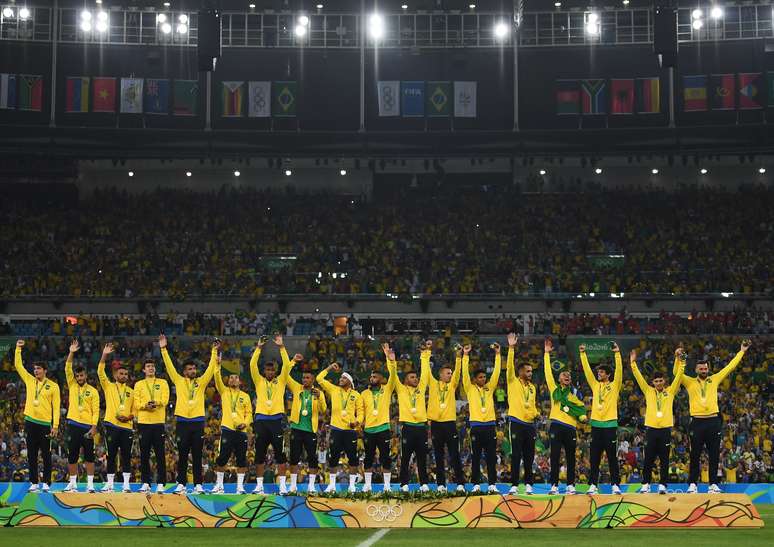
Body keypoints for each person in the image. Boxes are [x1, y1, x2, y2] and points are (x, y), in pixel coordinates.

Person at [676, 339, 750, 494]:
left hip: (713, 421)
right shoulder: (689, 382)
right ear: (696, 370)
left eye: (705, 368)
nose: (704, 370)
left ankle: (713, 484)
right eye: (701, 368)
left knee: (714, 454)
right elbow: (677, 374)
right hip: (696, 422)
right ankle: (692, 484)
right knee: (694, 454)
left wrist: (742, 351)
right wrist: (678, 358)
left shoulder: (714, 379)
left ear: (708, 369)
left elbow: (730, 367)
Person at [160, 334, 217, 495]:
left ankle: (198, 485)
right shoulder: (178, 380)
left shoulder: (201, 382)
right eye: (190, 369)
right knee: (183, 454)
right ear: (185, 372)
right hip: (183, 422)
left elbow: (211, 369)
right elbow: (169, 366)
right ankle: (181, 484)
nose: (193, 371)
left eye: (194, 368)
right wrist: (163, 349)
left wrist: (214, 351)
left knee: (198, 454)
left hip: (198, 422)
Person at [631, 347, 685, 494]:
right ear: (653, 382)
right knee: (648, 458)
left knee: (664, 459)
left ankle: (663, 485)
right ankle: (645, 484)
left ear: (664, 381)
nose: (659, 383)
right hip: (651, 430)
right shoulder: (648, 391)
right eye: (656, 381)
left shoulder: (671, 391)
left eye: (661, 380)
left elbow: (679, 375)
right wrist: (633, 363)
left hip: (665, 430)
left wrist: (681, 361)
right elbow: (638, 377)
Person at [14, 340, 60, 493]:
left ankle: (46, 482)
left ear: (45, 370)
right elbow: (18, 366)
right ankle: (34, 482)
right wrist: (18, 349)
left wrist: (55, 426)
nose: (36, 371)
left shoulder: (53, 386)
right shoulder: (29, 380)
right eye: (34, 369)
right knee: (32, 454)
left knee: (46, 455)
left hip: (45, 424)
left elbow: (56, 408)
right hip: (30, 422)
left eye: (39, 369)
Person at [249, 334, 291, 495]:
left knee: (280, 454)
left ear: (275, 371)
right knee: (259, 453)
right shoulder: (259, 381)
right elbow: (252, 364)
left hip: (276, 421)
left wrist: (281, 347)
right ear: (264, 371)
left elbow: (287, 365)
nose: (269, 372)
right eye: (267, 369)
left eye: (272, 369)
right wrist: (258, 348)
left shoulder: (280, 381)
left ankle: (282, 486)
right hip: (260, 420)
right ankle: (259, 486)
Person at [544, 337, 587, 495]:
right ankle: (554, 485)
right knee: (554, 456)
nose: (567, 376)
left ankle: (570, 485)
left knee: (571, 458)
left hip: (570, 428)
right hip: (556, 425)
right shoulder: (554, 390)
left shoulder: (575, 394)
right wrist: (546, 354)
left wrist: (582, 416)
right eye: (563, 374)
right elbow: (548, 372)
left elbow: (581, 409)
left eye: (568, 375)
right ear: (559, 379)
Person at [580, 341, 623, 495]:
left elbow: (619, 372)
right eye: (598, 372)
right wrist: (583, 354)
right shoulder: (595, 385)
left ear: (608, 374)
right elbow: (587, 372)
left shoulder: (615, 385)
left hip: (610, 425)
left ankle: (615, 485)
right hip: (596, 425)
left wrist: (617, 353)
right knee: (594, 458)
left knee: (612, 457)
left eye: (602, 372)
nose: (599, 374)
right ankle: (593, 485)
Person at [317, 362, 364, 493]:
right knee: (333, 457)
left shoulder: (356, 395)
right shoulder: (334, 390)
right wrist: (329, 367)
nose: (340, 379)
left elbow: (361, 412)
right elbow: (319, 379)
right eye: (340, 377)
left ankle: (352, 486)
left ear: (349, 380)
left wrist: (357, 422)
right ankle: (331, 485)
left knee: (353, 458)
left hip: (350, 430)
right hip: (336, 429)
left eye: (343, 378)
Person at [391, 340, 432, 493]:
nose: (416, 379)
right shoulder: (401, 390)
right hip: (407, 427)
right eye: (412, 377)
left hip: (421, 428)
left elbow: (426, 373)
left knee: (422, 458)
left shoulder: (421, 389)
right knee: (406, 457)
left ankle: (424, 484)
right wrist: (392, 361)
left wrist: (425, 354)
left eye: (416, 377)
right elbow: (393, 376)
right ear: (406, 380)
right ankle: (404, 484)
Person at [462, 342, 502, 493]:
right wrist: (465, 355)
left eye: (485, 377)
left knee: (491, 457)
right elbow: (464, 374)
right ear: (475, 379)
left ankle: (492, 484)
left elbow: (497, 373)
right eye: (480, 377)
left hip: (490, 426)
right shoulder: (470, 388)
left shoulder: (489, 388)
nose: (484, 379)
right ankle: (476, 484)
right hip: (476, 426)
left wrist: (498, 355)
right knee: (476, 457)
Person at [211, 353, 253, 494]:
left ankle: (240, 487)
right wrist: (217, 365)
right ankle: (219, 485)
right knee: (222, 458)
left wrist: (245, 424)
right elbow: (217, 379)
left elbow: (249, 414)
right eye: (231, 377)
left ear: (240, 381)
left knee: (242, 459)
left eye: (236, 377)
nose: (233, 379)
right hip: (228, 429)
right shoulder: (224, 392)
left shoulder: (245, 396)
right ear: (228, 381)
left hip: (241, 431)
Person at [360, 343, 398, 493]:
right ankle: (368, 484)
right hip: (369, 429)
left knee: (385, 458)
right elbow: (361, 411)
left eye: (375, 376)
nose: (372, 378)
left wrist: (390, 359)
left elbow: (393, 375)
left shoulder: (387, 389)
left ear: (381, 379)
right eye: (371, 376)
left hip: (383, 428)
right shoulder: (364, 393)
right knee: (368, 458)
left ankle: (387, 485)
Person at [97, 342, 135, 493]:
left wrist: (129, 417)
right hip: (111, 425)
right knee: (111, 455)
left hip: (127, 427)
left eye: (126, 374)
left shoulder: (132, 391)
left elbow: (136, 410)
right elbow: (100, 371)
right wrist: (105, 355)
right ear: (115, 375)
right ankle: (110, 484)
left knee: (126, 456)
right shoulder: (109, 386)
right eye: (121, 374)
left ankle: (126, 484)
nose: (124, 376)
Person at [427, 342, 464, 493]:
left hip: (449, 423)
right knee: (438, 455)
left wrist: (459, 357)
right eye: (448, 373)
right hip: (436, 424)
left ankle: (460, 483)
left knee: (455, 454)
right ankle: (441, 484)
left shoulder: (452, 386)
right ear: (440, 374)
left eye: (451, 373)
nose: (450, 375)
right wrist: (426, 353)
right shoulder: (433, 384)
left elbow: (458, 372)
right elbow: (426, 373)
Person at [63, 339, 100, 493]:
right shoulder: (71, 384)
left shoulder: (92, 391)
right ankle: (73, 483)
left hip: (87, 427)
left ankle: (90, 484)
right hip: (73, 424)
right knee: (72, 455)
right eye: (77, 376)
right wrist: (71, 352)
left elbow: (96, 410)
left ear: (86, 375)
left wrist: (93, 427)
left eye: (81, 375)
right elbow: (67, 368)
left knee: (89, 456)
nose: (79, 378)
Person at [285, 358, 327, 494]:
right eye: (303, 378)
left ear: (313, 379)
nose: (305, 380)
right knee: (294, 457)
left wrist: (320, 397)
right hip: (296, 428)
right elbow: (285, 375)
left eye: (307, 378)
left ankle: (311, 485)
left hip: (310, 430)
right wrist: (292, 362)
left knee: (312, 458)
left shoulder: (318, 393)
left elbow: (324, 410)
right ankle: (292, 485)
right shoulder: (297, 388)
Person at [505, 332, 539, 495]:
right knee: (516, 454)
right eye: (528, 371)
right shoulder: (512, 382)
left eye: (531, 371)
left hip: (530, 425)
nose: (530, 374)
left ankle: (529, 484)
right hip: (516, 422)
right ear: (520, 372)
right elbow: (510, 367)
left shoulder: (532, 388)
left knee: (529, 456)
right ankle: (514, 485)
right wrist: (511, 348)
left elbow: (532, 405)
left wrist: (536, 413)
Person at [132, 357, 170, 494]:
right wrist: (145, 406)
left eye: (152, 366)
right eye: (148, 366)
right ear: (143, 369)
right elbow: (136, 403)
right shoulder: (138, 384)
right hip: (143, 423)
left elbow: (165, 400)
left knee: (160, 454)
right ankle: (146, 483)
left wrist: (156, 403)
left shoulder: (163, 382)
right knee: (144, 455)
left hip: (158, 422)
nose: (151, 368)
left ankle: (161, 483)